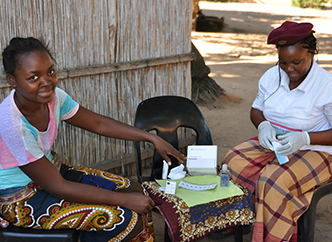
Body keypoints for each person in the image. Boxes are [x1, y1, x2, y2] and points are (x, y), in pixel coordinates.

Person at [0, 37, 187, 242]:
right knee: (124, 219)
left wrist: (150, 138)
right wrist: (124, 201)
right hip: (23, 198)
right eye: (33, 77)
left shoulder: (54, 98)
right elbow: (58, 187)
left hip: (51, 174)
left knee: (134, 190)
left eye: (50, 72)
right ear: (12, 80)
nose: (46, 82)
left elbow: (98, 123)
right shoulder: (11, 125)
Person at [222, 21, 332, 242]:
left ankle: (272, 236)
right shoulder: (271, 76)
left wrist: (304, 137)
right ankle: (241, 220)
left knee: (272, 180)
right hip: (274, 142)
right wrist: (263, 126)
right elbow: (256, 109)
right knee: (232, 161)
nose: (289, 68)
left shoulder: (326, 85)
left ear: (311, 53)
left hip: (317, 148)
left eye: (296, 62)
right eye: (283, 62)